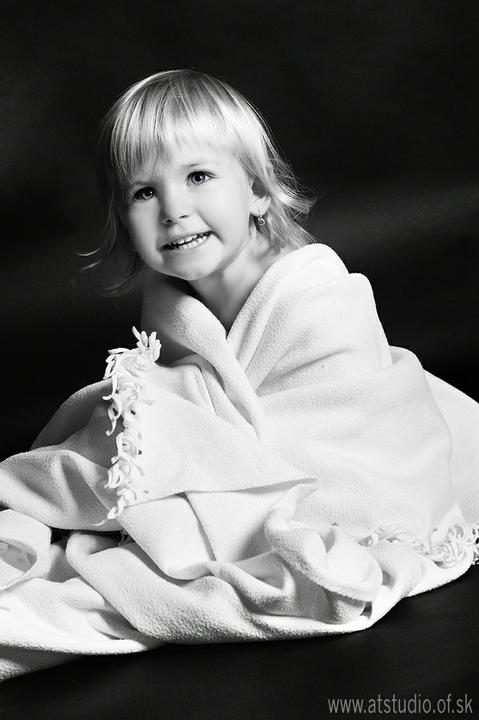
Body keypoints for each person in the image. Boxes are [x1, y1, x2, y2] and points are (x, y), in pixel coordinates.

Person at [0, 69, 478, 681]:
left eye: (198, 177)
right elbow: (193, 400)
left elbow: (346, 444)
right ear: (121, 216)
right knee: (113, 448)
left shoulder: (319, 303)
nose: (174, 210)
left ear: (256, 190)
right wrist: (176, 423)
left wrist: (185, 434)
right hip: (231, 453)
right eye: (144, 192)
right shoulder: (173, 303)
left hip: (356, 475)